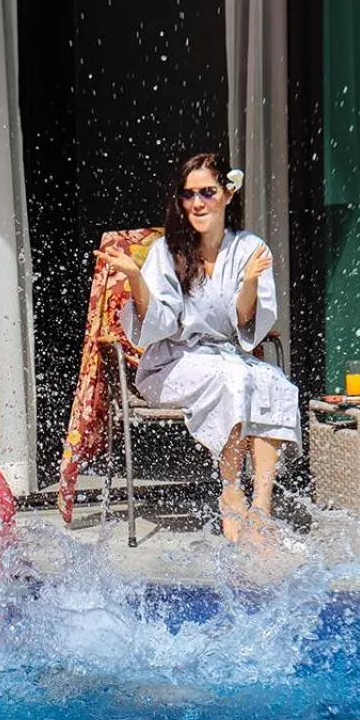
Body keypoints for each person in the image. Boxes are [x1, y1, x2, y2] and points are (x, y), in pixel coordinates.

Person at [96, 153, 301, 544]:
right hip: (173, 362)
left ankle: (261, 506)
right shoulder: (166, 251)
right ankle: (230, 492)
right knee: (235, 378)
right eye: (189, 195)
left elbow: (247, 325)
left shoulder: (249, 249)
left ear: (227, 194)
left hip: (227, 354)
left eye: (207, 192)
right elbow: (158, 322)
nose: (197, 203)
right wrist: (137, 278)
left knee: (274, 381)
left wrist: (252, 283)